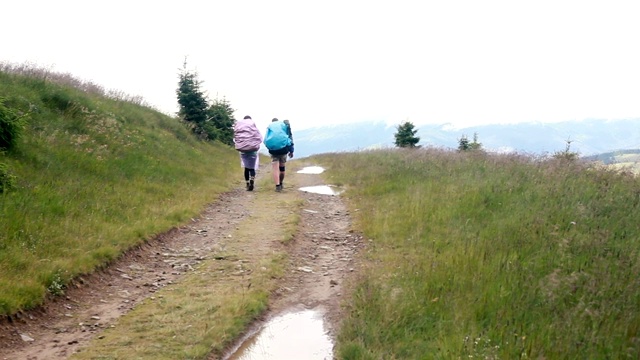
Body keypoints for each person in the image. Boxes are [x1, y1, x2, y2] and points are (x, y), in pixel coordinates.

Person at [263, 118, 294, 192]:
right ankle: (281, 182)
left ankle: (277, 186)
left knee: (275, 169)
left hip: (273, 151)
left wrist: (269, 147)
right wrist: (291, 151)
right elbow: (289, 138)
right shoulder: (283, 125)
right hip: (283, 149)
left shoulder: (270, 126)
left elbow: (265, 140)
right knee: (282, 168)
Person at [233, 115, 263, 191]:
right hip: (253, 151)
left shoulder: (240, 127)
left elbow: (235, 138)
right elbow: (259, 138)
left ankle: (247, 183)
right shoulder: (253, 127)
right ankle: (252, 179)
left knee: (246, 167)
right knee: (252, 167)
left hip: (243, 151)